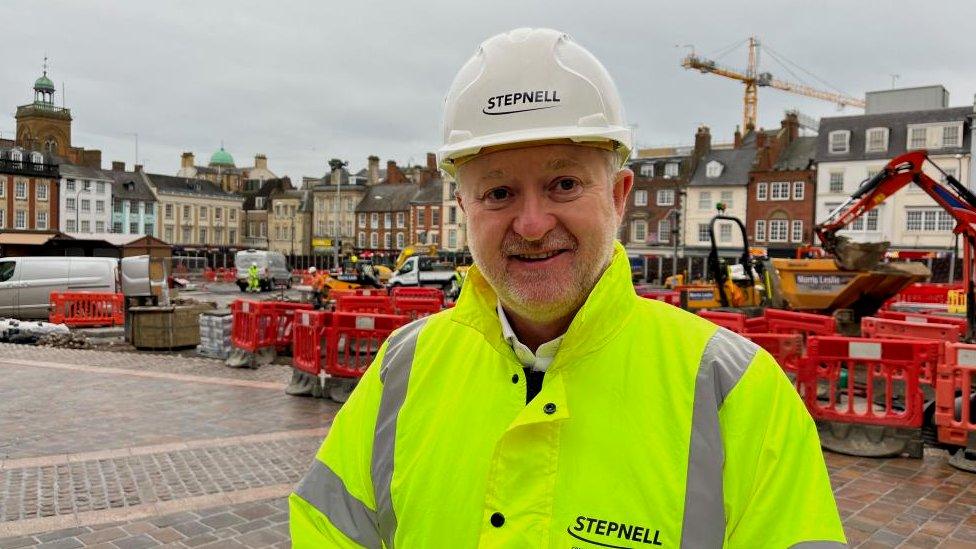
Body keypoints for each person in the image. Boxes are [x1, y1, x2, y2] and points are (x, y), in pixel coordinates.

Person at [290, 28, 845, 548]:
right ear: (463, 207)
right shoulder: (402, 369)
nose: (532, 224)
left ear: (619, 195)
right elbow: (327, 527)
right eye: (499, 193)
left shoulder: (734, 389)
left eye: (564, 184)